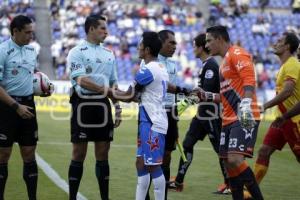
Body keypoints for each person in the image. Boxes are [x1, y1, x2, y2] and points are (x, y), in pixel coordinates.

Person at [204, 25, 263, 200]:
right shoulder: (224, 63)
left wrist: (246, 103)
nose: (207, 45)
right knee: (228, 163)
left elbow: (249, 78)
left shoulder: (237, 53)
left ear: (219, 39)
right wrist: (204, 95)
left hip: (243, 115)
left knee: (235, 159)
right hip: (228, 119)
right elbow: (224, 97)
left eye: (209, 41)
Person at [66, 15, 121, 200]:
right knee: (79, 152)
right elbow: (80, 79)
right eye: (103, 28)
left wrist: (118, 107)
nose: (106, 32)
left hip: (102, 105)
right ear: (91, 29)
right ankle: (72, 197)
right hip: (82, 103)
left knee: (103, 152)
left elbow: (113, 84)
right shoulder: (76, 51)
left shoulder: (109, 54)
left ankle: (104, 197)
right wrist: (105, 90)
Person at [168, 33, 230, 194]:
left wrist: (181, 105)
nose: (192, 49)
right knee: (187, 144)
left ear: (201, 48)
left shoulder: (210, 66)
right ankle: (179, 182)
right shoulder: (206, 65)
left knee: (220, 149)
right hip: (202, 114)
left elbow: (206, 94)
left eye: (195, 46)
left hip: (210, 114)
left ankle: (230, 184)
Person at [112, 31, 168, 200]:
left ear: (147, 50)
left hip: (152, 123)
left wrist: (108, 92)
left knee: (154, 167)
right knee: (141, 163)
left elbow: (129, 95)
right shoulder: (159, 67)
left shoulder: (148, 70)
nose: (138, 48)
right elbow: (137, 96)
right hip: (148, 120)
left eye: (140, 45)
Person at [244, 32, 300, 199]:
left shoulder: (292, 64)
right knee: (264, 150)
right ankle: (251, 192)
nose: (275, 43)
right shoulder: (284, 66)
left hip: (294, 120)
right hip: (283, 119)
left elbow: (288, 91)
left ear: (288, 46)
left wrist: (265, 106)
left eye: (279, 41)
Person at [0, 15, 42, 200]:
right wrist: (16, 106)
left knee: (29, 153)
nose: (31, 36)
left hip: (28, 104)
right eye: (27, 32)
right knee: (3, 154)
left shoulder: (31, 50)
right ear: (15, 31)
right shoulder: (2, 50)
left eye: (32, 32)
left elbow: (32, 76)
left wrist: (43, 88)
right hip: (7, 108)